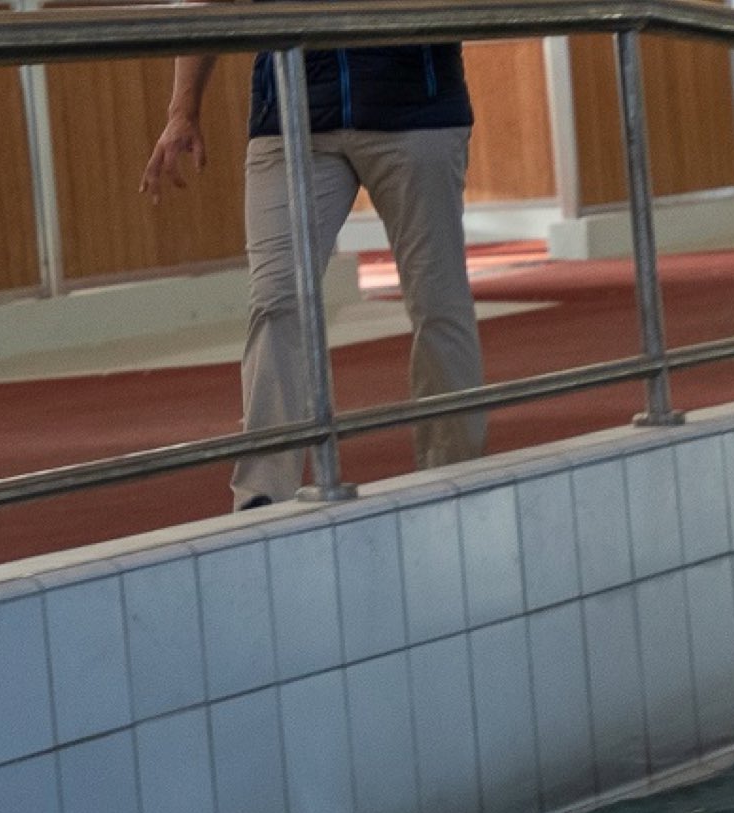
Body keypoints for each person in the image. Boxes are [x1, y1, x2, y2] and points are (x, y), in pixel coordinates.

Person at [142, 21, 487, 510]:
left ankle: (453, 478)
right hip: (290, 117)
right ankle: (263, 496)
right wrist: (182, 110)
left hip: (415, 111)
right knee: (276, 301)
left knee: (437, 300)